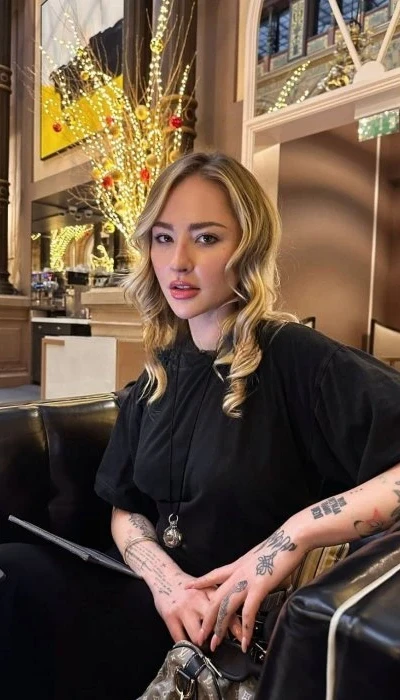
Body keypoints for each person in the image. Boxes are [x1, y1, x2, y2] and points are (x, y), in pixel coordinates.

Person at [1, 151, 400, 699]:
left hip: (230, 634)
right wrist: (167, 583)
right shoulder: (161, 369)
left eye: (206, 238)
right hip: (158, 598)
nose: (178, 262)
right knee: (13, 573)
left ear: (248, 247)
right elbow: (124, 508)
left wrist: (292, 537)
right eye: (163, 238)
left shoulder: (295, 358)